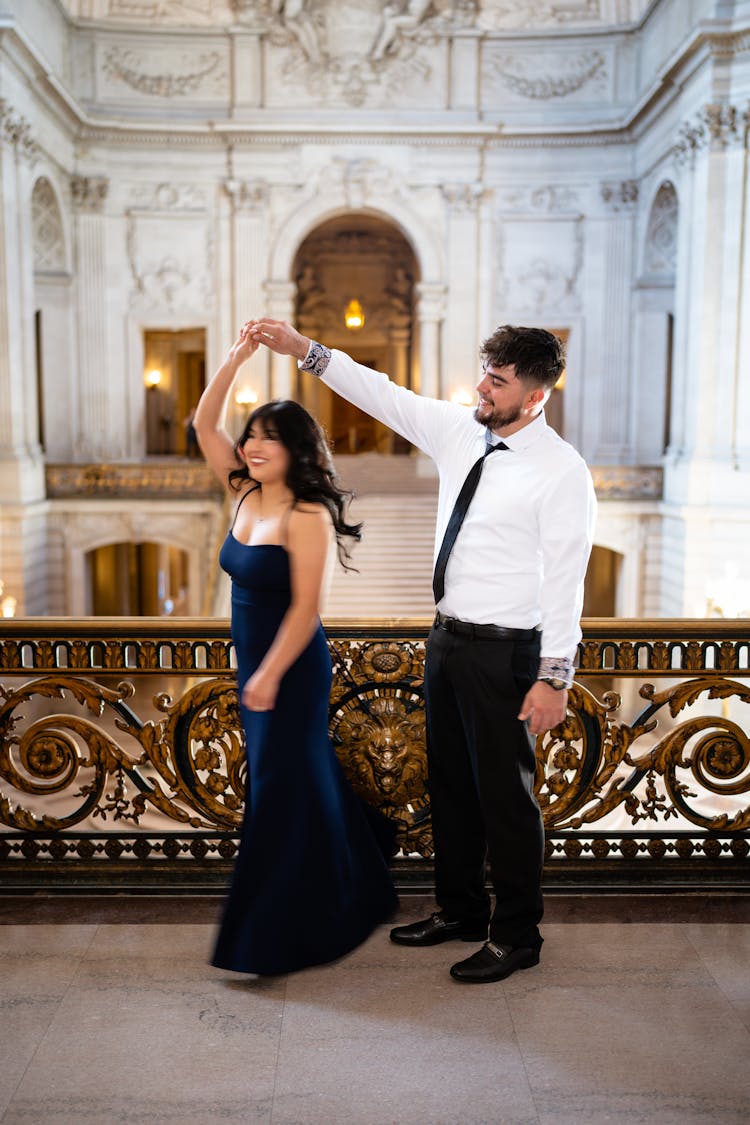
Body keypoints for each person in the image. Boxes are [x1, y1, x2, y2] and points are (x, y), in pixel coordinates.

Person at [251, 317, 597, 984]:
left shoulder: (562, 472)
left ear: (537, 396)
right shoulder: (460, 429)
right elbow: (383, 394)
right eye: (484, 372)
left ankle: (517, 933)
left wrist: (554, 676)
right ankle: (461, 910)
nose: (481, 387)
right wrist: (305, 351)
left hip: (510, 653)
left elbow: (565, 580)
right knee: (452, 789)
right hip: (447, 641)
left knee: (506, 800)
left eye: (497, 381)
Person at [194, 323, 397, 975]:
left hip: (289, 668)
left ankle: (270, 935)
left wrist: (268, 676)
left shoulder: (307, 513)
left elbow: (308, 609)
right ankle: (360, 872)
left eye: (267, 438)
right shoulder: (245, 492)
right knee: (295, 781)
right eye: (250, 434)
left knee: (280, 789)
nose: (251, 445)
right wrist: (234, 358)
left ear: (296, 450)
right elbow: (203, 424)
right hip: (255, 665)